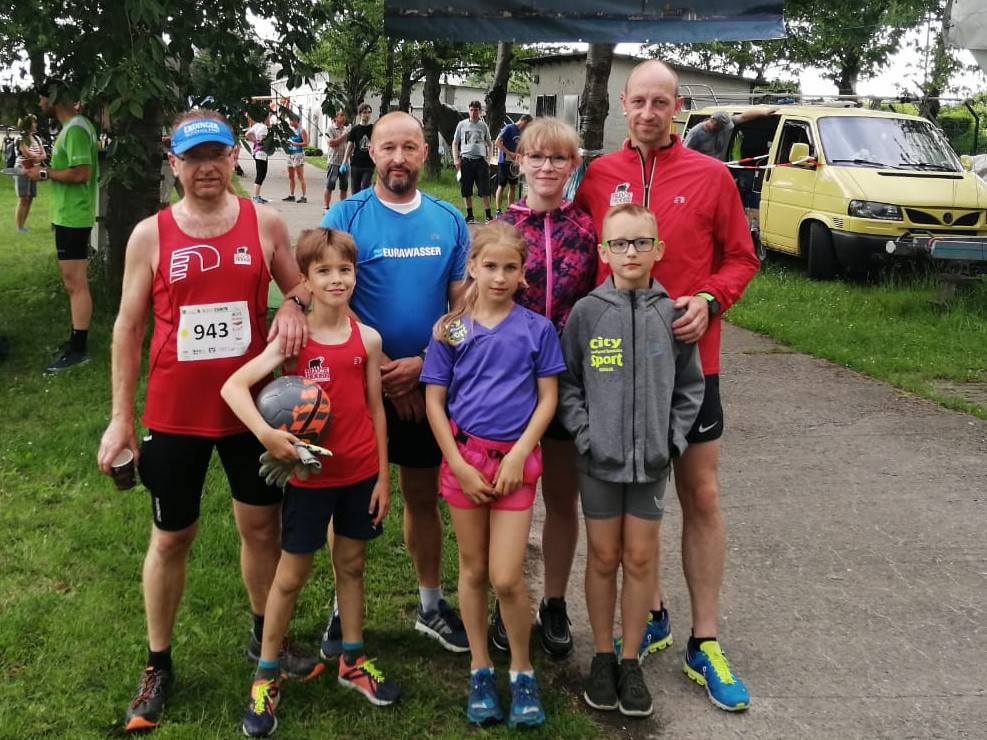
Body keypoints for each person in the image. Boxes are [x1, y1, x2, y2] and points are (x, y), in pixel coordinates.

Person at [95, 110, 319, 733]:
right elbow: (128, 328)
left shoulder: (264, 222)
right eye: (194, 158)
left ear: (234, 159)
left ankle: (263, 638)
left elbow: (301, 287)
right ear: (175, 164)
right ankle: (158, 664)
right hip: (175, 414)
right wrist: (120, 419)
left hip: (252, 413)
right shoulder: (151, 235)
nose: (207, 168)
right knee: (171, 538)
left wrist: (294, 306)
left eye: (218, 154)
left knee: (262, 532)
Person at [574, 59, 760, 713]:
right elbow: (574, 253)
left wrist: (710, 299)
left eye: (661, 102)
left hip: (689, 365)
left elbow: (742, 257)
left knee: (700, 494)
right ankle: (648, 615)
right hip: (613, 375)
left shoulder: (712, 177)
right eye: (638, 102)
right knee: (624, 495)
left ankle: (702, 640)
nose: (649, 112)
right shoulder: (596, 176)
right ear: (622, 105)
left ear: (678, 106)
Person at [222, 227, 398, 737]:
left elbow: (374, 411)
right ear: (307, 280)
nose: (336, 279)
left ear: (355, 274)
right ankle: (267, 676)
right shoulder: (293, 342)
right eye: (324, 271)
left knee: (352, 565)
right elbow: (234, 387)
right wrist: (266, 435)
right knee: (291, 576)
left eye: (344, 270)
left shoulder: (368, 339)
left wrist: (384, 476)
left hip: (360, 475)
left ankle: (353, 661)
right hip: (309, 482)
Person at [319, 111, 471, 657]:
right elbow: (330, 297)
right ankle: (342, 609)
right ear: (372, 152)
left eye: (409, 147)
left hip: (427, 384)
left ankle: (430, 604)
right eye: (388, 148)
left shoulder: (449, 219)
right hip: (362, 386)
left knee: (422, 497)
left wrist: (427, 363)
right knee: (349, 503)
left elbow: (462, 307)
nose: (398, 158)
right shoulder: (346, 214)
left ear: (425, 153)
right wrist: (384, 371)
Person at [559, 203, 704, 718]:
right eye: (619, 243)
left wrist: (673, 441)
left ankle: (629, 659)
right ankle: (601, 655)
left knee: (640, 558)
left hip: (652, 466)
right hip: (598, 463)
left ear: (658, 249)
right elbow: (568, 382)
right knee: (602, 556)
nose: (630, 252)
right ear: (603, 252)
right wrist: (583, 434)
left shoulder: (675, 315)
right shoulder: (586, 314)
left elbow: (691, 386)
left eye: (641, 242)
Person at [422, 221, 564, 728]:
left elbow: (548, 398)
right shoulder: (452, 328)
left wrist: (519, 453)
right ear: (472, 268)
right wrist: (457, 464)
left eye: (510, 268)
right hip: (464, 464)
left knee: (506, 577)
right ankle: (480, 668)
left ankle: (521, 671)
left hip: (514, 469)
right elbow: (434, 401)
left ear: (524, 273)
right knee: (474, 570)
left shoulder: (536, 329)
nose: (499, 277)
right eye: (490, 266)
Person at [493, 117, 597, 658]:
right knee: (506, 492)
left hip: (569, 382)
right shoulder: (501, 227)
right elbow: (474, 303)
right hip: (507, 385)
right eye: (537, 157)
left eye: (559, 158)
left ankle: (553, 600)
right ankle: (504, 594)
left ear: (573, 165)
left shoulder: (587, 228)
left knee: (561, 497)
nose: (547, 167)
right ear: (520, 162)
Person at [23, 83, 98, 373]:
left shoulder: (77, 129)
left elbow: (81, 173)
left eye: (42, 97)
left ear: (54, 97)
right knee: (72, 283)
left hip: (74, 216)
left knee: (75, 283)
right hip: (68, 215)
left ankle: (79, 349)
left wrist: (43, 172)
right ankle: (75, 340)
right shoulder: (73, 127)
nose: (40, 104)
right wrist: (45, 169)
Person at [452, 100, 494, 224]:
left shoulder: (483, 126)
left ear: (480, 111)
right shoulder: (462, 124)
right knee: (466, 189)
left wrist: (488, 159)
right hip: (466, 160)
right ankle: (470, 215)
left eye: (476, 110)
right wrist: (456, 158)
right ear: (468, 110)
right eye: (471, 109)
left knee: (484, 189)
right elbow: (455, 142)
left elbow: (489, 143)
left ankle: (488, 216)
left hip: (480, 161)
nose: (473, 112)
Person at [683, 107, 777, 161]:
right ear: (715, 124)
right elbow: (684, 156)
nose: (725, 129)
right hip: (702, 170)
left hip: (718, 167)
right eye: (723, 127)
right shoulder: (695, 134)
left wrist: (764, 112)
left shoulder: (724, 123)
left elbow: (744, 117)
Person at [493, 114, 532, 215]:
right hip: (504, 161)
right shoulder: (509, 128)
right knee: (501, 185)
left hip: (515, 163)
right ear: (524, 121)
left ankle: (511, 209)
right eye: (528, 125)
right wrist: (509, 153)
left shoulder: (522, 133)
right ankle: (498, 210)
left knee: (513, 186)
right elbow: (497, 142)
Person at [13, 114, 46, 233]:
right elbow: (27, 154)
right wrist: (37, 158)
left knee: (30, 197)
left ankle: (23, 225)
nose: (36, 124)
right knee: (24, 198)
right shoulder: (21, 138)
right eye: (33, 122)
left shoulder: (36, 138)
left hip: (33, 170)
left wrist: (37, 158)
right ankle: (20, 226)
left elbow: (44, 155)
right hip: (22, 169)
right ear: (27, 125)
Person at [342, 103, 374, 195]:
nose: (367, 114)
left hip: (369, 165)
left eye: (369, 112)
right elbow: (350, 145)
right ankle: (355, 208)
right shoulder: (355, 129)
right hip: (356, 164)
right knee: (355, 191)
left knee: (365, 188)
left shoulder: (374, 129)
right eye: (364, 112)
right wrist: (344, 162)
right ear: (360, 114)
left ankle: (364, 208)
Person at [324, 110, 351, 210]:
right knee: (330, 185)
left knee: (344, 187)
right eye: (342, 115)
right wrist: (343, 135)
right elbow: (331, 143)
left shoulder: (346, 129)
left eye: (345, 116)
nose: (344, 118)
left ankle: (342, 207)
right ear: (336, 118)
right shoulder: (330, 129)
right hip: (334, 162)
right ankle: (326, 207)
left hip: (345, 162)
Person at [282, 115, 309, 203]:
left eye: (292, 121)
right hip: (290, 154)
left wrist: (295, 144)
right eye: (290, 121)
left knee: (300, 175)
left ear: (297, 121)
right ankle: (291, 195)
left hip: (298, 154)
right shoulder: (290, 130)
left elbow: (306, 143)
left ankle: (304, 196)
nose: (291, 123)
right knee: (291, 176)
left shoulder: (302, 130)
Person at [245, 112, 270, 203]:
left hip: (256, 151)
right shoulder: (263, 128)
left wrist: (254, 141)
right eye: (268, 118)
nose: (269, 120)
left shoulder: (257, 126)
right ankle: (255, 196)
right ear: (265, 118)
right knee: (261, 174)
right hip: (262, 153)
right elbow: (263, 140)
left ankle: (257, 195)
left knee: (260, 173)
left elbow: (247, 134)